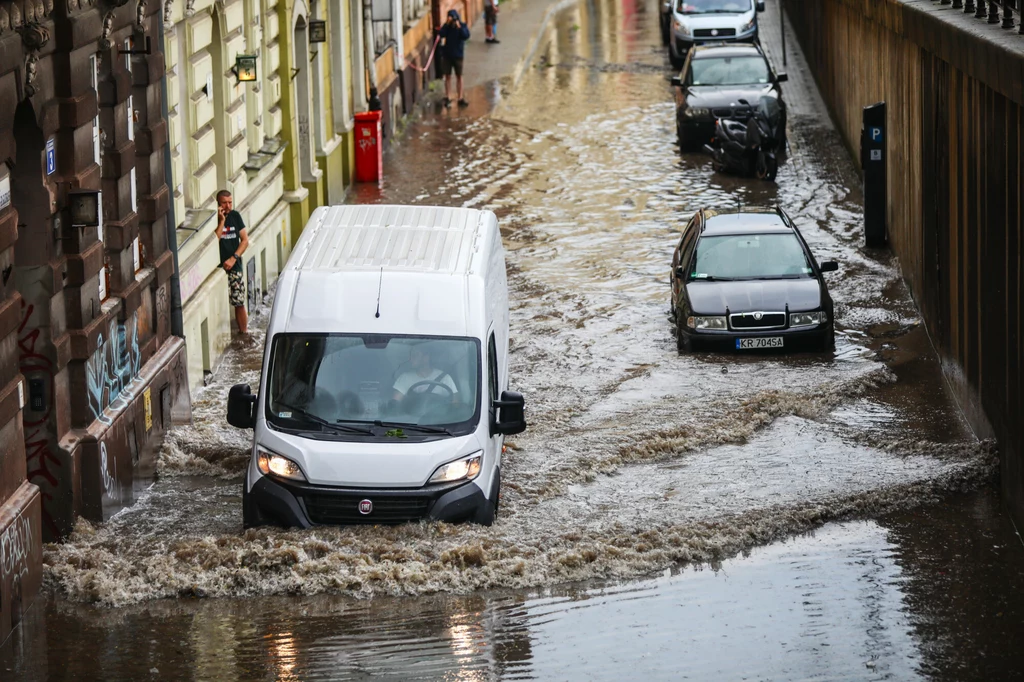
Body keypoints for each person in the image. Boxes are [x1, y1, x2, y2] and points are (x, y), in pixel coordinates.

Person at [215, 190, 249, 336]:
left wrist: (234, 257)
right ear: (218, 204)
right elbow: (214, 240)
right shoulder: (215, 219)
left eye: (230, 202)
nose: (228, 206)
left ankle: (244, 332)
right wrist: (221, 221)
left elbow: (245, 240)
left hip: (234, 266)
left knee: (239, 301)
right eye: (224, 203)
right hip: (218, 269)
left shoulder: (235, 216)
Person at [392, 345, 458, 403]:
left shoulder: (445, 378)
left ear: (426, 358)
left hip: (440, 416)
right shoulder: (405, 378)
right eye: (410, 355)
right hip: (411, 416)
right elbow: (395, 403)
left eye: (415, 355)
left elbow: (455, 404)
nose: (410, 359)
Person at [438, 9, 470, 108]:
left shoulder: (462, 26)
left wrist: (459, 27)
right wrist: (447, 24)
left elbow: (466, 36)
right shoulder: (447, 27)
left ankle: (460, 97)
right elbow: (441, 34)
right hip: (447, 55)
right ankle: (448, 96)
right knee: (447, 76)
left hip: (458, 55)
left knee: (459, 76)